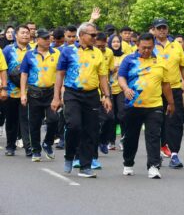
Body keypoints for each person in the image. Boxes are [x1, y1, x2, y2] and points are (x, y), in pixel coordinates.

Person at [52, 22, 112, 178]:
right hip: (72, 94)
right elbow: (59, 75)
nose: (95, 38)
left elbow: (103, 77)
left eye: (96, 35)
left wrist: (106, 96)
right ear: (81, 36)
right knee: (74, 126)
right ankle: (69, 156)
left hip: (92, 95)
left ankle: (85, 166)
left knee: (91, 130)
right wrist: (56, 97)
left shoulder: (98, 53)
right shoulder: (67, 51)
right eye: (92, 35)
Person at [118, 33, 175, 179]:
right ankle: (128, 163)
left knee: (154, 136)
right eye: (143, 48)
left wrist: (171, 102)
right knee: (131, 136)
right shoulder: (129, 60)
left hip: (154, 105)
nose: (146, 51)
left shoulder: (160, 61)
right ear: (138, 45)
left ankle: (153, 166)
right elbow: (121, 76)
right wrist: (125, 88)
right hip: (133, 105)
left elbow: (166, 84)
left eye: (150, 48)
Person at [152, 18, 184, 168]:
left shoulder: (176, 46)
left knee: (175, 121)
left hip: (174, 88)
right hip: (154, 89)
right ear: (154, 30)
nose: (162, 30)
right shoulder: (149, 45)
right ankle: (156, 153)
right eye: (159, 28)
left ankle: (174, 154)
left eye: (164, 28)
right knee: (156, 121)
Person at [19, 29, 60, 161]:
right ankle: (36, 150)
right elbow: (24, 74)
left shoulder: (57, 53)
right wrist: (23, 94)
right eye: (45, 38)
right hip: (34, 93)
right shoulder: (29, 55)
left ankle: (48, 143)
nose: (48, 40)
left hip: (51, 92)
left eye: (49, 38)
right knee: (34, 123)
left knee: (54, 119)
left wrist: (60, 94)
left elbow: (61, 74)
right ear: (37, 40)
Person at [3, 25, 33, 156]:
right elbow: (2, 69)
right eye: (23, 33)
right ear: (16, 35)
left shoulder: (33, 50)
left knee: (26, 120)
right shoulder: (8, 50)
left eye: (27, 33)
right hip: (11, 92)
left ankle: (29, 147)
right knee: (11, 120)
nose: (25, 35)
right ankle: (10, 146)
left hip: (28, 92)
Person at [94, 32, 115, 164]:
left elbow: (110, 70)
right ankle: (93, 147)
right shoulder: (93, 53)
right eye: (99, 45)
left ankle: (103, 141)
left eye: (104, 45)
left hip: (105, 86)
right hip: (92, 87)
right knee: (96, 120)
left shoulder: (109, 53)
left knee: (110, 117)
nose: (102, 48)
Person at [108, 34, 126, 150]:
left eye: (118, 42)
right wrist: (112, 69)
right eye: (113, 42)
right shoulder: (107, 55)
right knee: (111, 116)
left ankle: (123, 139)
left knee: (122, 114)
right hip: (109, 89)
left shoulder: (125, 56)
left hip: (121, 89)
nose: (116, 44)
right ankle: (111, 140)